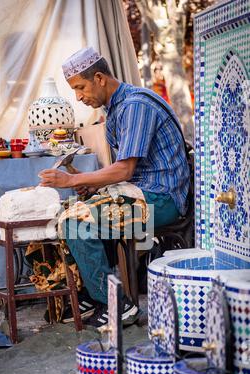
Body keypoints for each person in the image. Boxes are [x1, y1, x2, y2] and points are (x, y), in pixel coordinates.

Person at [39, 47, 190, 330]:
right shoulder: (116, 109)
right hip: (142, 194)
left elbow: (125, 170)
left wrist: (73, 180)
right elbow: (122, 173)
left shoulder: (135, 105)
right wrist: (87, 184)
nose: (79, 97)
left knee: (75, 223)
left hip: (164, 200)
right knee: (64, 211)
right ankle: (87, 294)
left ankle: (117, 304)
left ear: (99, 78)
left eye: (80, 88)